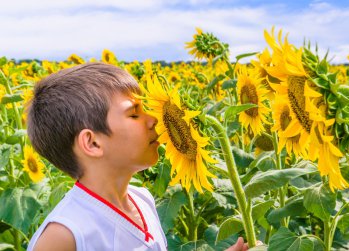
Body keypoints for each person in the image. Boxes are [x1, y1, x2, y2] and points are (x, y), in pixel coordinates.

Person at [26, 62, 249, 251]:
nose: (154, 119)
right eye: (134, 113)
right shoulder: (64, 235)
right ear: (93, 143)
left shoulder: (142, 199)